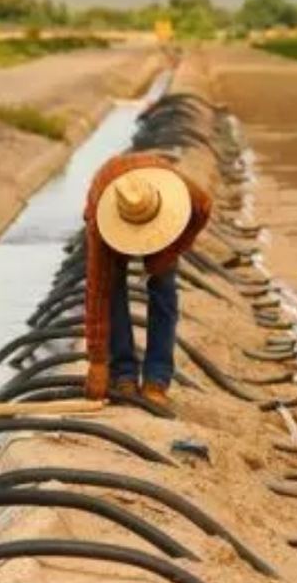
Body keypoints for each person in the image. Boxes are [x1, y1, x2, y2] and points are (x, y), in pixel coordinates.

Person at [83, 153, 212, 407]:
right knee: (112, 289)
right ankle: (123, 375)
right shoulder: (102, 224)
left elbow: (204, 209)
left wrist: (169, 253)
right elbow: (96, 292)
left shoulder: (185, 193)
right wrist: (97, 361)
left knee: (163, 290)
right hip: (108, 212)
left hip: (162, 217)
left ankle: (156, 380)